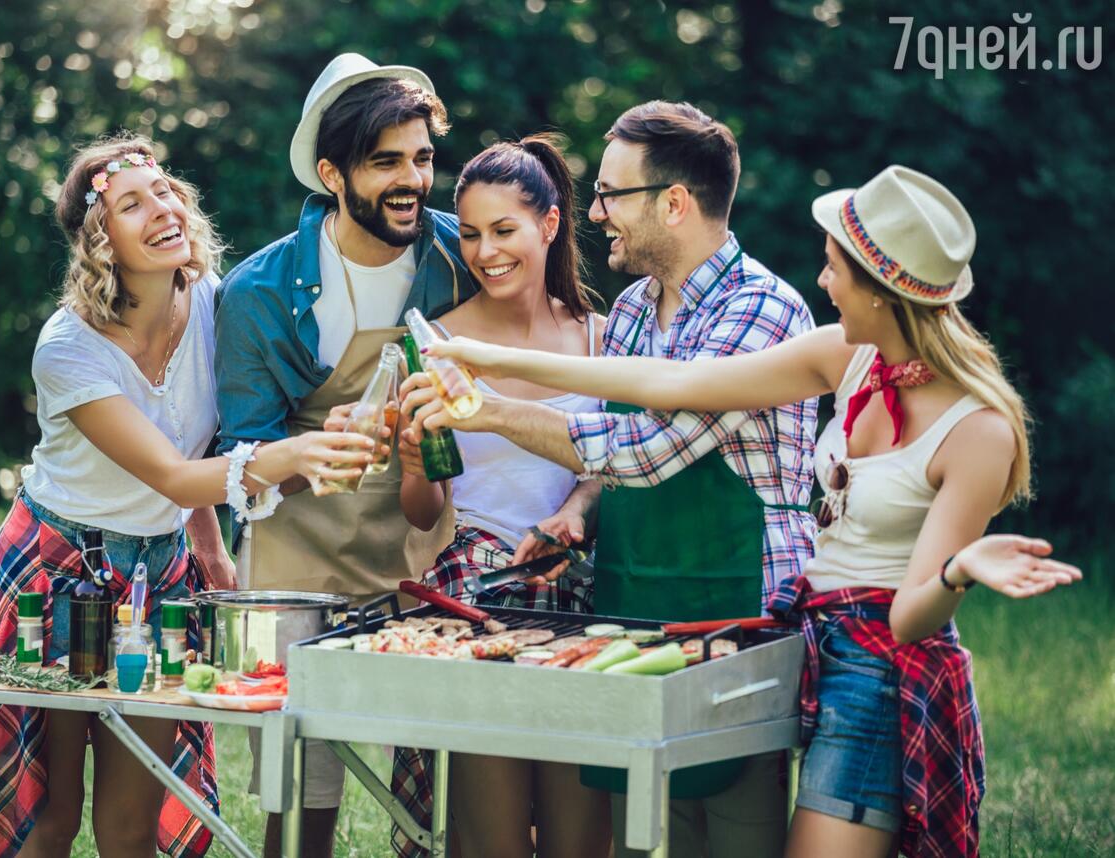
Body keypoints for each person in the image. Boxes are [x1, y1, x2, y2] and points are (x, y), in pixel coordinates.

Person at [419, 164, 1083, 858]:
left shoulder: (980, 431)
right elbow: (673, 382)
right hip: (811, 635)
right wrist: (482, 357)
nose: (822, 283)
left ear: (883, 292)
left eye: (835, 270)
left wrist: (959, 569)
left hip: (877, 668)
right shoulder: (845, 355)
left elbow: (909, 617)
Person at [0, 134, 374, 858]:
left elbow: (195, 450)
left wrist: (207, 546)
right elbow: (169, 473)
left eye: (166, 190)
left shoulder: (210, 302)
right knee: (52, 811)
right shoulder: (68, 349)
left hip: (156, 575)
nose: (162, 208)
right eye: (132, 203)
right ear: (99, 239)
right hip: (59, 572)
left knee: (134, 815)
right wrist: (286, 456)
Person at [404, 100, 816, 857]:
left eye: (610, 194)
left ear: (675, 203)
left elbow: (647, 452)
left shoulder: (760, 310)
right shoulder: (628, 312)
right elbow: (610, 468)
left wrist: (485, 409)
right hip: (630, 612)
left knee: (732, 839)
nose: (596, 213)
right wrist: (579, 516)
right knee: (637, 840)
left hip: (736, 621)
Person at [213, 54, 477, 857]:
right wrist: (309, 452)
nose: (411, 181)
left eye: (422, 158)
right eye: (385, 162)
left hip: (423, 539)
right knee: (300, 789)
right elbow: (241, 455)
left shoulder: (457, 259)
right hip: (298, 546)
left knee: (441, 783)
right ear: (332, 173)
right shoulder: (258, 293)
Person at [387, 135, 610, 858]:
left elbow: (616, 463)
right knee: (493, 834)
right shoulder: (438, 345)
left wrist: (577, 511)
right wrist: (416, 461)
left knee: (580, 834)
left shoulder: (601, 341)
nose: (487, 252)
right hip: (475, 602)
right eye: (473, 234)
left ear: (549, 225)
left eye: (505, 230)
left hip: (580, 603)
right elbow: (422, 512)